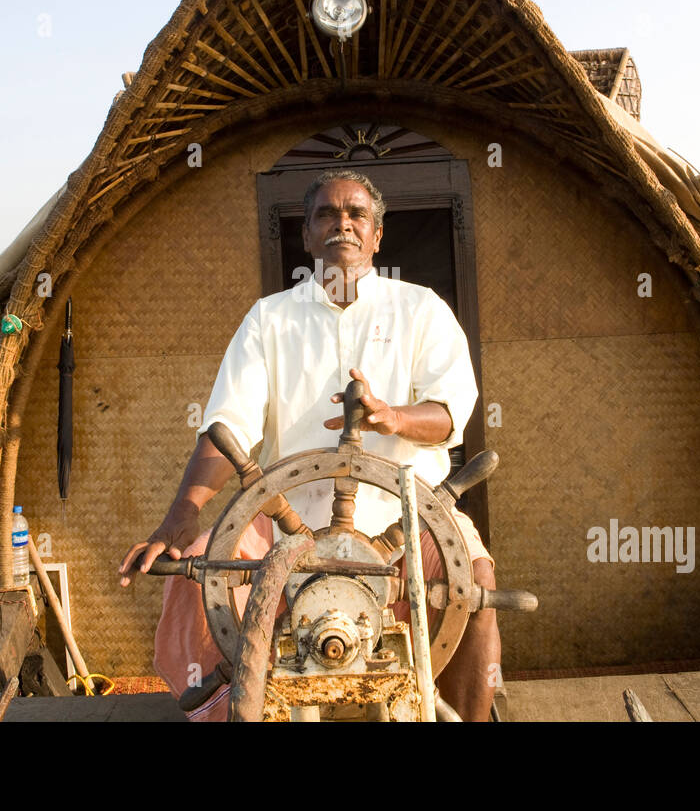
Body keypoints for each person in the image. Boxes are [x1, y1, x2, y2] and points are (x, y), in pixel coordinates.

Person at [119, 170, 500, 720]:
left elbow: (446, 414)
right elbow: (228, 425)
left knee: (476, 583)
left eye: (356, 214)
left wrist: (392, 416)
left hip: (409, 514)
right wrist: (183, 514)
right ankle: (230, 711)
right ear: (306, 235)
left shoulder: (423, 310)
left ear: (377, 235)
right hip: (283, 522)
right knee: (200, 577)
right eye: (326, 213)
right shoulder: (268, 320)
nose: (342, 224)